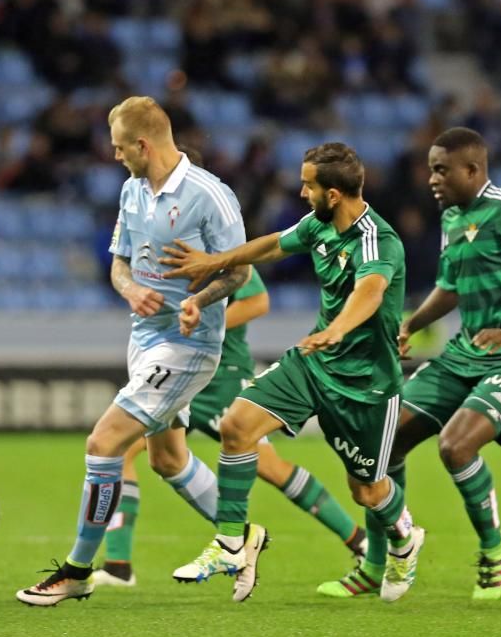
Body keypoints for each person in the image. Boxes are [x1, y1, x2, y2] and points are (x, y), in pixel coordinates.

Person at [161, 143, 425, 603]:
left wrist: (339, 328)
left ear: (335, 195)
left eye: (309, 185)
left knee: (367, 492)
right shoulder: (319, 226)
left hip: (366, 385)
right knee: (237, 425)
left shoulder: (376, 240)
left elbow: (371, 291)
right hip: (314, 362)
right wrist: (215, 261)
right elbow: (273, 244)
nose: (302, 192)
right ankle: (229, 542)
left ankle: (405, 535)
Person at [15, 96, 251, 606]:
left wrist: (200, 298)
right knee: (167, 460)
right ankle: (242, 535)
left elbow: (240, 271)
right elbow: (118, 264)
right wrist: (128, 290)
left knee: (103, 444)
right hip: (142, 338)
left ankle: (78, 571)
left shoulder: (210, 196)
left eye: (121, 147)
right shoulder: (131, 191)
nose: (115, 155)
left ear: (143, 144)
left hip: (188, 344)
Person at [95, 151, 366, 590]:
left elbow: (257, 299)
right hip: (175, 364)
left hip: (220, 371)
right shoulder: (159, 235)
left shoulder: (213, 239)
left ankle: (355, 538)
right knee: (127, 450)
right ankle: (120, 564)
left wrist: (203, 315)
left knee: (267, 465)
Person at [379, 127, 501, 600]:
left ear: (473, 169)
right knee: (383, 441)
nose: (432, 179)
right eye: (431, 169)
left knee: (455, 447)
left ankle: (493, 546)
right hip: (462, 355)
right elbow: (450, 287)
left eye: (442, 169)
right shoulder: (452, 217)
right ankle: (396, 549)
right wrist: (411, 323)